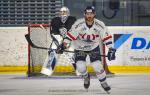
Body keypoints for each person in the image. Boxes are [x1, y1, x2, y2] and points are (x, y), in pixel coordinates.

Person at [63, 6, 116, 93]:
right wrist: (63, 45)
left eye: (91, 13)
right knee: (80, 67)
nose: (89, 16)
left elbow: (106, 37)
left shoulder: (100, 25)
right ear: (84, 14)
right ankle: (86, 77)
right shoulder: (78, 24)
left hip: (93, 47)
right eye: (87, 14)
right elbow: (70, 35)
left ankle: (103, 82)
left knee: (97, 66)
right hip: (79, 47)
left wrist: (111, 49)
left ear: (94, 14)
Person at [50, 6, 78, 75]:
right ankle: (48, 71)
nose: (62, 13)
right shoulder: (55, 20)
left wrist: (66, 42)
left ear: (68, 13)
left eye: (64, 12)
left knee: (72, 54)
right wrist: (60, 44)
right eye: (61, 12)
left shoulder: (73, 20)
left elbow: (74, 33)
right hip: (58, 41)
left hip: (70, 41)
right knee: (52, 52)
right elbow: (53, 33)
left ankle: (79, 71)